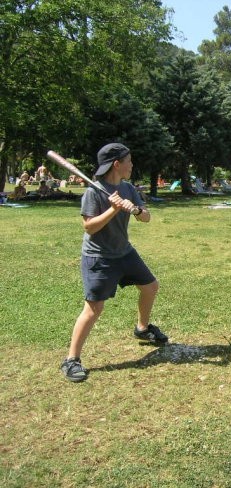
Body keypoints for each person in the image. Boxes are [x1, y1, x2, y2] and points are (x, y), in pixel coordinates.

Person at [60, 143, 167, 383]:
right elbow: (89, 226)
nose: (132, 165)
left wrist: (137, 211)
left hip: (124, 252)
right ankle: (71, 360)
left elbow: (147, 217)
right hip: (99, 256)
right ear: (117, 164)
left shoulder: (128, 188)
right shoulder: (94, 191)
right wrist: (113, 209)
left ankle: (142, 328)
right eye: (129, 160)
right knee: (94, 309)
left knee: (150, 287)